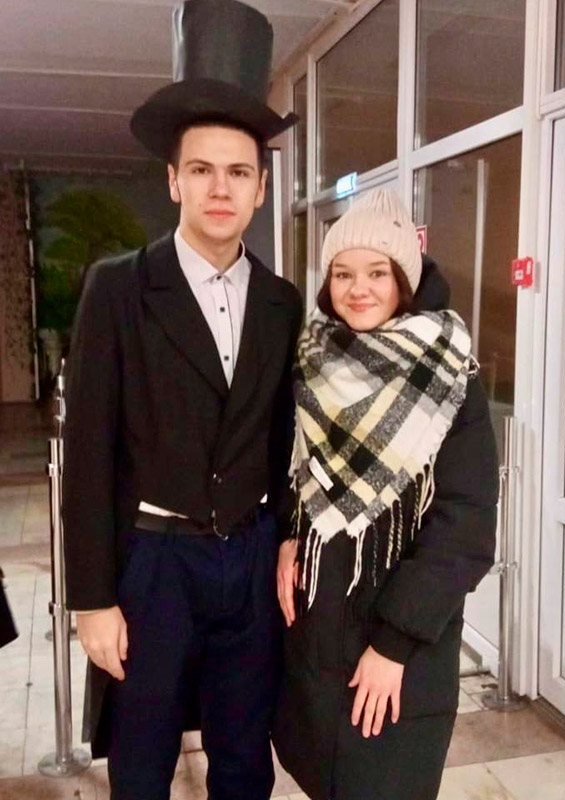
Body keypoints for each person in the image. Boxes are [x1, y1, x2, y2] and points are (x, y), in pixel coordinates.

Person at [62, 2, 301, 799]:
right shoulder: (119, 288)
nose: (220, 187)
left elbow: (284, 438)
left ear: (260, 188)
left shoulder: (282, 302)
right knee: (141, 758)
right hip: (153, 560)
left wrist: (285, 539)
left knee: (244, 753)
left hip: (251, 555)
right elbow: (87, 453)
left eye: (239, 172)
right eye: (201, 170)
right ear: (173, 181)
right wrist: (92, 600)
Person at [273, 188, 499, 800]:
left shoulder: (448, 376)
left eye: (377, 272)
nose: (358, 289)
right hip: (317, 632)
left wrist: (392, 645)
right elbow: (296, 471)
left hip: (400, 649)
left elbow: (466, 527)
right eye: (343, 273)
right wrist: (291, 534)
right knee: (322, 777)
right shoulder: (313, 358)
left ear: (405, 279)